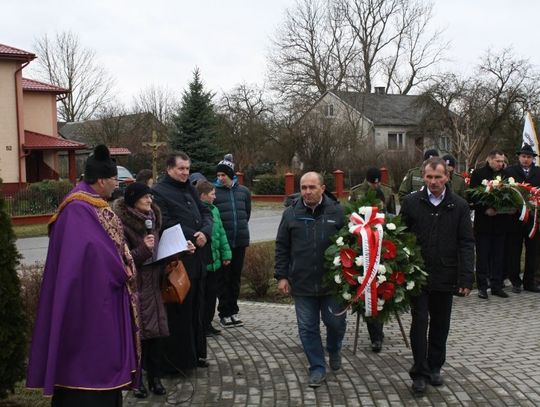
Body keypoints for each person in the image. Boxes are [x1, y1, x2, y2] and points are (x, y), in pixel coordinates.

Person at [26, 145, 138, 406]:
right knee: (87, 362)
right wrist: (121, 268)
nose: (116, 185)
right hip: (86, 301)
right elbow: (93, 254)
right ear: (101, 180)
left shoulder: (91, 203)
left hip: (97, 296)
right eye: (114, 180)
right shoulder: (78, 208)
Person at [400, 157, 474, 396]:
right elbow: (400, 238)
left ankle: (434, 367)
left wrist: (466, 278)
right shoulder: (411, 202)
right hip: (418, 275)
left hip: (446, 273)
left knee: (441, 324)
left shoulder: (459, 205)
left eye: (438, 177)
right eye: (429, 177)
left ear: (447, 177)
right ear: (423, 176)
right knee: (419, 323)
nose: (433, 182)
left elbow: (466, 243)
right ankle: (419, 373)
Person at [275, 172, 346, 388]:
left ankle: (333, 348)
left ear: (322, 188)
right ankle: (317, 367)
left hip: (332, 282)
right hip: (302, 282)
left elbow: (351, 244)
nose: (307, 192)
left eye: (312, 187)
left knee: (335, 323)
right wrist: (282, 276)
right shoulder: (291, 214)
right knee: (307, 328)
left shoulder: (338, 212)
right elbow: (282, 246)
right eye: (303, 187)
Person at [152, 151, 213, 370]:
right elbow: (166, 222)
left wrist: (205, 231)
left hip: (198, 259)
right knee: (179, 313)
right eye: (181, 169)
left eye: (187, 169)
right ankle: (178, 363)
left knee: (198, 310)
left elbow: (206, 212)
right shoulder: (158, 192)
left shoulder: (190, 188)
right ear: (169, 169)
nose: (185, 173)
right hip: (178, 261)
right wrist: (195, 236)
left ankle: (197, 354)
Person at [112, 183, 168, 398]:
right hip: (136, 286)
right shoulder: (122, 225)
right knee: (139, 336)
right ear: (133, 199)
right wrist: (144, 249)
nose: (149, 201)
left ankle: (155, 377)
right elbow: (122, 260)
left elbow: (160, 249)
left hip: (154, 284)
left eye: (150, 197)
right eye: (145, 197)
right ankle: (137, 381)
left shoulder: (153, 218)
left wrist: (178, 251)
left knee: (156, 335)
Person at [349, 167, 394, 352]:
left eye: (377, 182)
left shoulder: (388, 191)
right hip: (363, 246)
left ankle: (378, 330)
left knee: (382, 286)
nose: (375, 185)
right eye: (372, 182)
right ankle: (375, 334)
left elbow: (392, 216)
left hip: (384, 245)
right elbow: (351, 216)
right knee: (367, 287)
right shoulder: (356, 192)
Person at [213, 154, 252, 327]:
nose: (220, 178)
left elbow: (247, 214)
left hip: (240, 241)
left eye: (223, 175)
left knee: (235, 278)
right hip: (224, 243)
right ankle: (224, 312)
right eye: (218, 175)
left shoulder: (243, 192)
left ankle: (234, 311)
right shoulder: (216, 193)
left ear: (231, 175)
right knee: (224, 279)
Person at [468, 150, 509, 299]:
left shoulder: (505, 175)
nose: (500, 164)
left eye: (502, 161)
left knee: (498, 256)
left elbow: (511, 194)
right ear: (490, 160)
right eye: (498, 161)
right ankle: (482, 287)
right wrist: (485, 209)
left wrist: (507, 207)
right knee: (483, 256)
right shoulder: (478, 174)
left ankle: (497, 285)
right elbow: (472, 195)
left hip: (500, 223)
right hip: (484, 223)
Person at [196, 180, 232, 336]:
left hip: (215, 261)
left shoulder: (215, 210)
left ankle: (208, 324)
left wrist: (226, 254)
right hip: (203, 262)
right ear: (203, 195)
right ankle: (200, 325)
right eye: (212, 194)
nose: (215, 197)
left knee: (212, 295)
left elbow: (221, 233)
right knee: (202, 297)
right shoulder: (197, 211)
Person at [505, 144, 540, 293]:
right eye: (523, 156)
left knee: (533, 251)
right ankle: (515, 281)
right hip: (515, 217)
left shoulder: (538, 172)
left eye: (529, 157)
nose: (526, 159)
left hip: (534, 217)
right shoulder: (510, 171)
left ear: (533, 158)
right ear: (519, 157)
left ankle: (530, 281)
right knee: (514, 250)